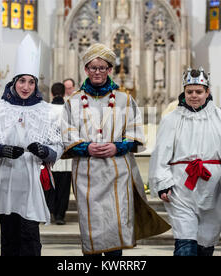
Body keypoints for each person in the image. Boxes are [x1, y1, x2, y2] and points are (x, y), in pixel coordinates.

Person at [61, 43, 170, 256]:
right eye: (93, 67)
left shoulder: (125, 100)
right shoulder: (73, 101)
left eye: (103, 67)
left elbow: (136, 133)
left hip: (117, 172)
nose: (98, 72)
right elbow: (67, 135)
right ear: (86, 70)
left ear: (110, 69)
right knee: (91, 227)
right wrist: (87, 147)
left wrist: (116, 146)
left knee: (116, 226)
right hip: (87, 173)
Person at [148, 67, 221, 256]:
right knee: (185, 241)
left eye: (199, 91)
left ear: (207, 92)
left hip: (211, 189)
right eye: (189, 91)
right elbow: (160, 155)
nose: (194, 96)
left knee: (205, 243)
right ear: (184, 92)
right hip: (181, 187)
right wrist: (163, 184)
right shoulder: (171, 120)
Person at [0, 34, 63, 256]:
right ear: (13, 82)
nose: (26, 86)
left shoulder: (45, 111)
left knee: (30, 236)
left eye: (31, 82)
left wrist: (45, 152)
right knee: (10, 236)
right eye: (22, 81)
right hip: (5, 180)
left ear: (36, 84)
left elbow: (58, 147)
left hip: (31, 181)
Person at [49, 82, 72, 225]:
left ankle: (50, 210)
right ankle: (60, 215)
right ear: (64, 94)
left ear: (51, 93)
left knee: (50, 185)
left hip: (50, 155)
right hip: (66, 154)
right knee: (64, 188)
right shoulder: (69, 109)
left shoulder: (45, 109)